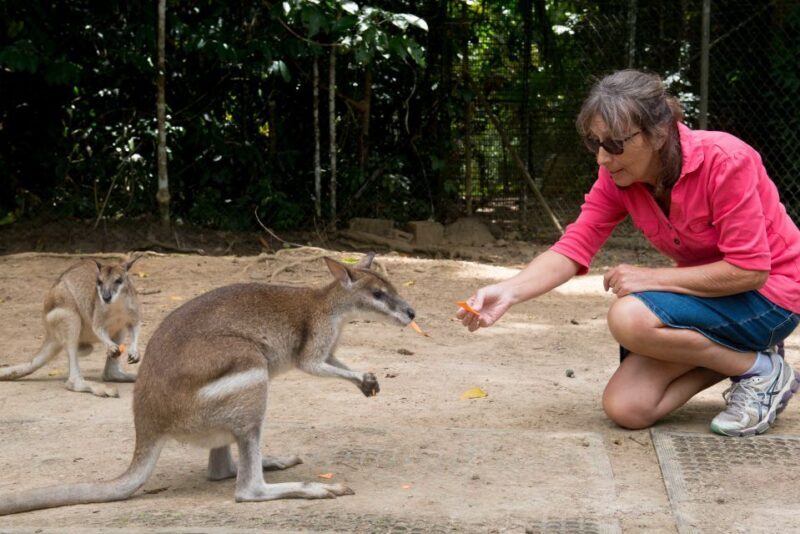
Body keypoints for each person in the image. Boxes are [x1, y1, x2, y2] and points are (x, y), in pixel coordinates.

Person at [458, 69, 800, 437]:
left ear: (659, 132)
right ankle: (756, 364)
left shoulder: (726, 160)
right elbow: (574, 245)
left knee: (630, 317)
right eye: (595, 144)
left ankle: (760, 373)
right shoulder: (619, 178)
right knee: (628, 407)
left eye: (615, 144)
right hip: (710, 300)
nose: (603, 158)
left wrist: (651, 278)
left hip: (771, 298)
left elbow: (750, 270)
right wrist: (509, 291)